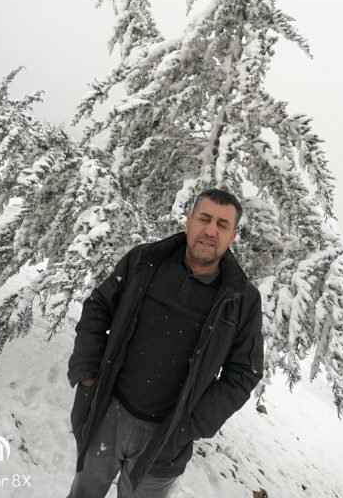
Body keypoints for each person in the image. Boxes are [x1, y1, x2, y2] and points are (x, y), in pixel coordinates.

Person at [66, 188, 264, 498]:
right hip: (107, 414)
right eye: (205, 219)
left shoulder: (242, 301)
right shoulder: (145, 261)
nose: (211, 231)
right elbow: (99, 307)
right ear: (188, 222)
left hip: (165, 443)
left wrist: (191, 426)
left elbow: (244, 372)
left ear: (233, 236)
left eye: (222, 225)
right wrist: (88, 375)